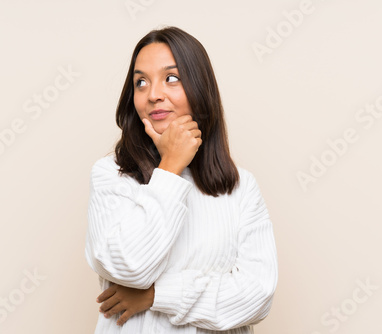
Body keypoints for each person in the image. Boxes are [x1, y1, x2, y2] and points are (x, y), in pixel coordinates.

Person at [85, 26, 278, 333]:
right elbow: (129, 267)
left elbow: (257, 295)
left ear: (200, 89)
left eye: (171, 78)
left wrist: (155, 296)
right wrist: (171, 166)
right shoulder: (112, 174)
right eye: (141, 82)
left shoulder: (240, 187)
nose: (154, 95)